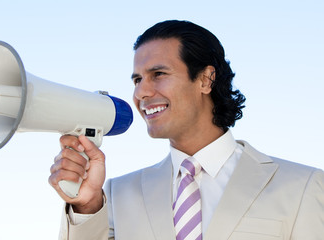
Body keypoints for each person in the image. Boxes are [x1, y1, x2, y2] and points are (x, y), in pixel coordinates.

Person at [49, 20, 324, 240]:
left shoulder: (302, 186)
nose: (141, 92)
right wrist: (87, 206)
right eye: (137, 79)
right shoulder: (117, 195)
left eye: (158, 74)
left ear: (205, 80)